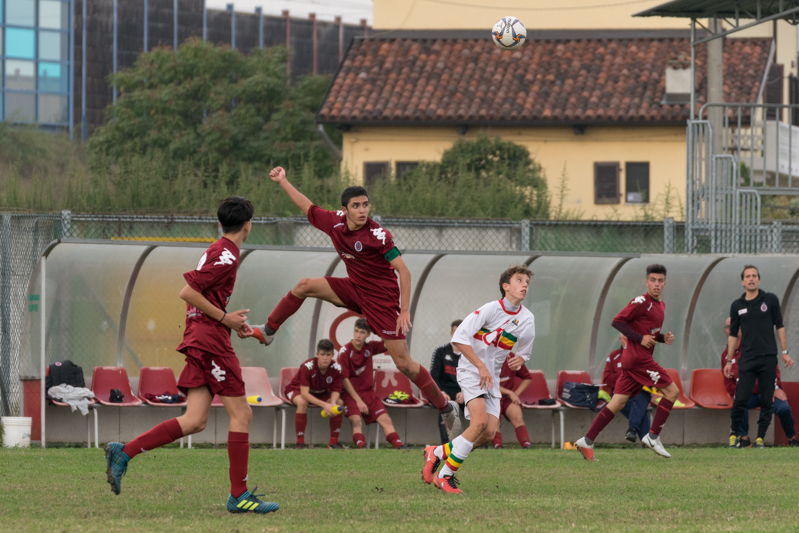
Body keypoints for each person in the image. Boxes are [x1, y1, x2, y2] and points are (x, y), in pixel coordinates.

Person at [240, 166, 460, 437]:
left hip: (382, 302)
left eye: (365, 204)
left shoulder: (378, 235)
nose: (362, 210)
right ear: (344, 210)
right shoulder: (334, 223)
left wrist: (404, 310)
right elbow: (307, 207)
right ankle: (269, 330)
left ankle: (445, 407)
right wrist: (283, 181)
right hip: (355, 289)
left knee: (404, 364)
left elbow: (404, 271)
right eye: (356, 206)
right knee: (304, 285)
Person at [104, 197, 279, 514]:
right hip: (209, 340)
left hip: (204, 335)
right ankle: (239, 496)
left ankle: (124, 452)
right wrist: (224, 319)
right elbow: (188, 292)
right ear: (248, 225)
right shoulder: (227, 255)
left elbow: (204, 298)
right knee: (242, 415)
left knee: (195, 420)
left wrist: (231, 322)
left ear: (221, 223)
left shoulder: (219, 250)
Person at [422, 265, 536, 494]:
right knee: (480, 423)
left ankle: (437, 452)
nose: (525, 284)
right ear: (505, 286)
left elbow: (525, 350)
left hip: (491, 376)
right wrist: (481, 365)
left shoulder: (527, 318)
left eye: (527, 282)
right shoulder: (490, 309)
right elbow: (459, 338)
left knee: (488, 434)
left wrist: (520, 359)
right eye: (519, 280)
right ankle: (444, 476)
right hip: (471, 370)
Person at [576, 264, 677, 460]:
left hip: (632, 362)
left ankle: (587, 441)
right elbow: (617, 321)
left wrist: (662, 338)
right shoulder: (641, 301)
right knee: (672, 392)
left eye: (660, 281)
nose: (656, 284)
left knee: (617, 402)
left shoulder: (660, 305)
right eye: (653, 280)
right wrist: (639, 339)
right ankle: (652, 437)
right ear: (646, 282)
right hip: (639, 360)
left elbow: (647, 332)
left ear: (665, 283)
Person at [725, 265, 795, 449]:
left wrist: (785, 352)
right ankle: (734, 436)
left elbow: (780, 326)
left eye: (754, 276)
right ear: (742, 282)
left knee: (766, 400)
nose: (751, 279)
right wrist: (729, 360)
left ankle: (760, 439)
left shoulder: (770, 300)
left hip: (768, 358)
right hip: (747, 359)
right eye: (747, 276)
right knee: (740, 399)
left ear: (759, 280)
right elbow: (733, 335)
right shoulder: (737, 305)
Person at [722, 317, 798, 448]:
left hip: (768, 390)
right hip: (749, 394)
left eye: (736, 326)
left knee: (784, 409)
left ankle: (792, 439)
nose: (732, 329)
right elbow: (727, 380)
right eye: (728, 327)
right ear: (725, 331)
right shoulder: (725, 356)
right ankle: (745, 440)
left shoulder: (754, 346)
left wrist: (773, 388)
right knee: (739, 403)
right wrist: (737, 391)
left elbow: (772, 369)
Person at [338, 318, 405, 449]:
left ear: (368, 334)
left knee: (386, 419)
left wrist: (378, 330)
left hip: (368, 393)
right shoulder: (344, 351)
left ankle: (400, 447)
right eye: (356, 331)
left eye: (362, 332)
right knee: (356, 421)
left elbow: (388, 343)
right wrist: (358, 401)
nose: (358, 335)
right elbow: (344, 379)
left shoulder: (370, 347)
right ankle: (361, 448)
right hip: (351, 395)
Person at [285, 339, 345, 449]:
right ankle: (299, 442)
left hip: (320, 392)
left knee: (339, 402)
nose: (325, 358)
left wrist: (332, 402)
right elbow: (304, 394)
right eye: (322, 354)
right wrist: (325, 405)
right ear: (317, 354)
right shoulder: (307, 366)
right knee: (303, 403)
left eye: (328, 355)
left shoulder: (336, 367)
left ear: (333, 355)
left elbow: (336, 390)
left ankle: (333, 442)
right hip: (297, 390)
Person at [600, 334, 652, 443]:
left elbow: (649, 377)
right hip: (620, 393)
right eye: (625, 339)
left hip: (639, 391)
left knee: (641, 398)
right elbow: (607, 379)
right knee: (640, 410)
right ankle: (644, 439)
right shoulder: (613, 356)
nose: (628, 342)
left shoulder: (641, 354)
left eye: (630, 339)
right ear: (620, 339)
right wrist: (625, 374)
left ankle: (634, 431)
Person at [429, 320, 465, 444]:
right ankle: (447, 444)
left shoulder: (470, 354)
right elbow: (433, 377)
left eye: (461, 331)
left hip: (463, 391)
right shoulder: (441, 351)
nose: (458, 334)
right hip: (443, 390)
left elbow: (474, 376)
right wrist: (441, 392)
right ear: (451, 333)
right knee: (445, 405)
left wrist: (464, 391)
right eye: (456, 331)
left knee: (478, 403)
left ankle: (480, 443)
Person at [492, 357, 533, 449]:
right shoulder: (488, 357)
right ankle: (498, 445)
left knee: (517, 417)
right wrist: (510, 393)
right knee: (495, 422)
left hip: (507, 398)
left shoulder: (512, 358)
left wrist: (515, 394)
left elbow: (527, 378)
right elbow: (490, 384)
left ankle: (526, 443)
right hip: (492, 397)